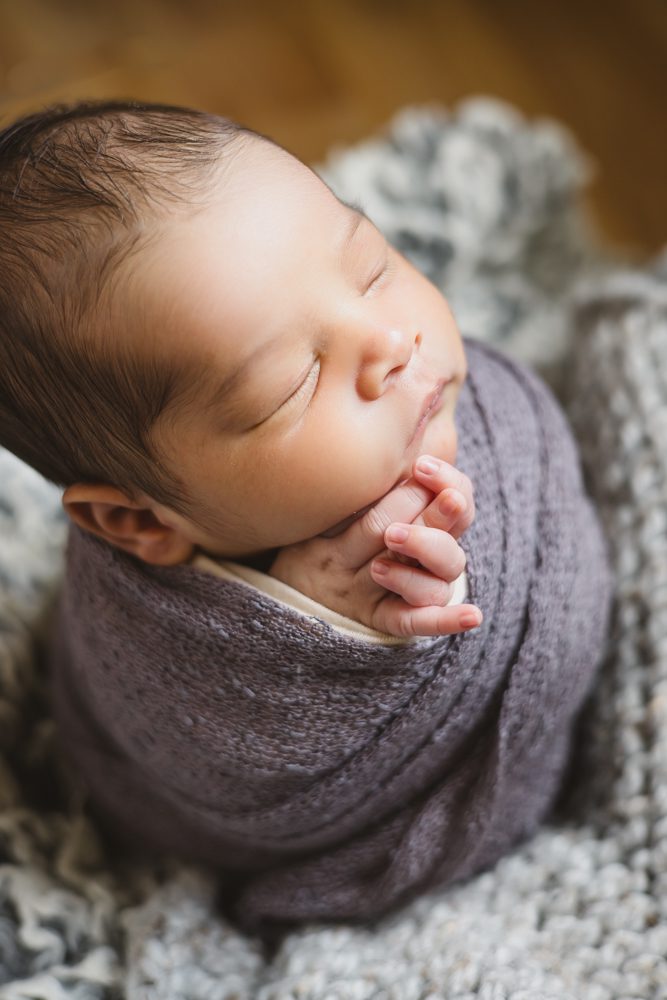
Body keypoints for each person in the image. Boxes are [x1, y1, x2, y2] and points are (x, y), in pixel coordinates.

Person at [0, 99, 482, 638]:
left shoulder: (439, 377)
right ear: (141, 520)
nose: (393, 341)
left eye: (373, 270)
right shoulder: (157, 649)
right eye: (293, 385)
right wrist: (319, 627)